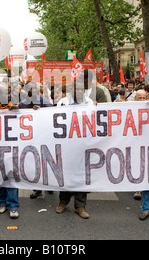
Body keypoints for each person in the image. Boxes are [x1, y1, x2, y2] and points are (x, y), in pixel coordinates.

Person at [56, 76, 93, 219]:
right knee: (65, 174)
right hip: (66, 145)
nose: (78, 91)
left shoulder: (89, 103)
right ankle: (62, 202)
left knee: (81, 175)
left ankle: (80, 206)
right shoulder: (62, 103)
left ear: (84, 90)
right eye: (75, 88)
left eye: (81, 89)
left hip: (83, 145)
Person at [0, 84, 20, 219]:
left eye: (8, 94)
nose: (5, 96)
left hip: (11, 148)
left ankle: (13, 206)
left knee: (11, 176)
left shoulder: (17, 108)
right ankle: (2, 203)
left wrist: (18, 112)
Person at [18, 81, 53, 199]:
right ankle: (37, 189)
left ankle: (51, 185)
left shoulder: (45, 101)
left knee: (47, 163)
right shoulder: (22, 104)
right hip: (30, 139)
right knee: (34, 164)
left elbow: (55, 115)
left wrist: (42, 112)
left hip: (45, 137)